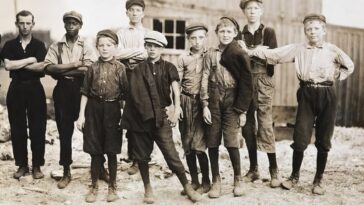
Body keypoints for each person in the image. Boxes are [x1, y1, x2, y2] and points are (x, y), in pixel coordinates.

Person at [246, 14, 354, 195]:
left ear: (324, 30)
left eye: (316, 28)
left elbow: (349, 65)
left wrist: (337, 75)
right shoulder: (299, 49)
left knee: (324, 138)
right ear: (305, 32)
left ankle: (318, 180)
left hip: (328, 94)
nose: (312, 32)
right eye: (309, 29)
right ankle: (294, 176)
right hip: (306, 93)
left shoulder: (332, 50)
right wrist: (250, 51)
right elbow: (275, 54)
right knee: (300, 136)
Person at [121, 31, 202, 204]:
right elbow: (135, 95)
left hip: (161, 117)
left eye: (156, 47)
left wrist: (176, 109)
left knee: (171, 153)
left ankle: (187, 186)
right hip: (141, 119)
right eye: (149, 46)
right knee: (142, 156)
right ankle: (148, 189)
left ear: (162, 49)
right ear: (145, 47)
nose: (152, 50)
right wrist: (145, 114)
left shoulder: (169, 67)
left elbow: (175, 91)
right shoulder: (138, 69)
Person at [44, 11, 103, 189]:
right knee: (64, 131)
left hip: (82, 90)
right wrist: (74, 64)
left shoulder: (86, 44)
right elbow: (49, 68)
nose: (71, 25)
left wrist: (63, 70)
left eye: (74, 23)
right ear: (64, 24)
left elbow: (89, 70)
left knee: (91, 130)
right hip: (62, 91)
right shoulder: (57, 45)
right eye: (68, 22)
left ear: (80, 26)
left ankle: (100, 167)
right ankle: (66, 171)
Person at [200, 17, 253, 198]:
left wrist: (242, 110)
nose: (225, 34)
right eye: (222, 31)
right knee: (212, 141)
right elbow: (205, 77)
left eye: (229, 31)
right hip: (214, 97)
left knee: (231, 141)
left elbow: (246, 81)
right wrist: (205, 104)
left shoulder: (239, 53)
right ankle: (216, 180)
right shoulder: (210, 53)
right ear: (216, 33)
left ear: (235, 34)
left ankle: (238, 178)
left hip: (232, 98)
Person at [76, 30, 128, 203]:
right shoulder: (92, 68)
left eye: (109, 45)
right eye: (101, 45)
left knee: (112, 151)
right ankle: (94, 186)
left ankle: (112, 186)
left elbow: (125, 96)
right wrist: (81, 116)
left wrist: (124, 116)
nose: (105, 49)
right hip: (93, 110)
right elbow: (85, 92)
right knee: (95, 151)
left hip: (113, 110)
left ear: (115, 47)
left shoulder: (120, 68)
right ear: (97, 47)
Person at [0, 10, 47, 180]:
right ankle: (22, 165)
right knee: (17, 127)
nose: (25, 26)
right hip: (16, 88)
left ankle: (36, 166)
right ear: (17, 24)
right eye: (22, 23)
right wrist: (29, 60)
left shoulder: (39, 45)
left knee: (38, 128)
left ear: (33, 24)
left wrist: (16, 64)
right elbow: (8, 66)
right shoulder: (9, 45)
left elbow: (41, 67)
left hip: (35, 88)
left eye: (28, 23)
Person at [239, 0, 280, 188]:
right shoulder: (239, 33)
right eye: (249, 9)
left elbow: (272, 56)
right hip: (245, 82)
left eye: (256, 8)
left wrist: (248, 51)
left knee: (265, 124)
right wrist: (258, 51)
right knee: (247, 126)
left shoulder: (268, 32)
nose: (252, 12)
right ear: (244, 11)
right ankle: (254, 169)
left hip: (264, 80)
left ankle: (274, 170)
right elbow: (237, 58)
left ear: (261, 10)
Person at [115, 0, 148, 175]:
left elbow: (147, 54)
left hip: (143, 77)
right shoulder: (121, 33)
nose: (135, 13)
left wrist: (129, 53)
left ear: (143, 13)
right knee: (128, 115)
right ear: (127, 13)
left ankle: (140, 157)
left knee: (141, 115)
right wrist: (137, 52)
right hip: (126, 76)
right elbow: (117, 53)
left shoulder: (148, 33)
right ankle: (131, 156)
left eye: (138, 10)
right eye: (131, 10)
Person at [177, 22, 211, 194]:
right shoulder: (183, 58)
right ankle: (195, 181)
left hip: (203, 103)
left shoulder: (210, 57)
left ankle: (206, 180)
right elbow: (177, 84)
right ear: (188, 39)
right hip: (186, 102)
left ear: (205, 38)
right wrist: (177, 106)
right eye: (193, 38)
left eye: (200, 37)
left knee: (199, 144)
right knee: (187, 143)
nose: (197, 41)